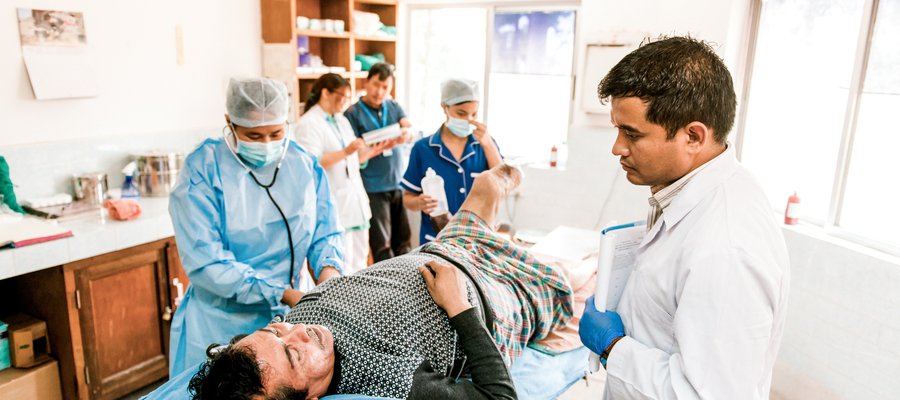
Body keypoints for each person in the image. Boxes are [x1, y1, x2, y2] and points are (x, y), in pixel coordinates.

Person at [187, 164, 582, 400]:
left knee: (487, 183)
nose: (299, 332)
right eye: (292, 355)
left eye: (276, 329)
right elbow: (500, 397)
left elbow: (225, 351)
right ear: (306, 397)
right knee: (572, 275)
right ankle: (525, 251)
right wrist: (459, 308)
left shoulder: (279, 337)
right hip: (491, 293)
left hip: (445, 248)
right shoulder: (384, 377)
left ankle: (508, 207)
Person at [578, 36, 791, 399]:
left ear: (693, 136)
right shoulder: (696, 191)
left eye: (631, 133)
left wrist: (614, 346)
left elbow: (708, 395)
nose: (617, 147)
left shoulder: (726, 248)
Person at [167, 77, 345, 376]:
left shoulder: (302, 164)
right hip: (220, 321)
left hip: (286, 324)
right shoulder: (204, 168)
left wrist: (329, 274)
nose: (266, 144)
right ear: (230, 124)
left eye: (275, 133)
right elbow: (206, 260)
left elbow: (324, 232)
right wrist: (281, 293)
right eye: (253, 135)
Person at [296, 74, 395, 273]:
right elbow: (311, 164)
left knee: (360, 265)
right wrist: (346, 151)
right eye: (342, 96)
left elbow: (353, 160)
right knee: (342, 266)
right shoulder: (309, 123)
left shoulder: (341, 121)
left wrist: (379, 148)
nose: (345, 102)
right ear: (326, 93)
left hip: (355, 202)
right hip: (334, 204)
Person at [401, 78, 503, 244]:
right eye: (461, 113)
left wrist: (488, 145)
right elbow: (407, 199)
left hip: (476, 241)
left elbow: (504, 183)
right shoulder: (423, 149)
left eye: (474, 114)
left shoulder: (484, 144)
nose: (468, 119)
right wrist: (419, 202)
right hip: (436, 240)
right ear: (444, 107)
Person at [344, 63, 415, 262]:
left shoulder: (393, 107)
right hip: (373, 188)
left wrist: (405, 135)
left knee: (404, 243)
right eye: (376, 85)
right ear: (366, 82)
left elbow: (408, 128)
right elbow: (353, 154)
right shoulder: (352, 114)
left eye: (385, 87)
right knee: (382, 246)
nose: (380, 92)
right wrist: (375, 148)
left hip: (397, 184)